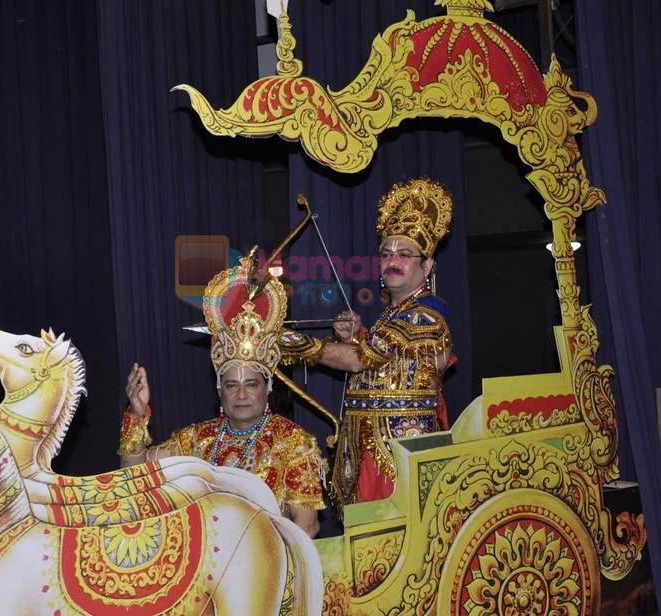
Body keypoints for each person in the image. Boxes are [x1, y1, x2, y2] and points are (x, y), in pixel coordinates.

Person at [118, 257, 326, 537]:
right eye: (231, 385)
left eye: (251, 384)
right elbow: (135, 476)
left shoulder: (294, 444)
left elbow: (307, 527)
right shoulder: (196, 440)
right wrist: (137, 413)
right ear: (219, 389)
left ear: (268, 388)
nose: (241, 394)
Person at [280, 178, 454, 511]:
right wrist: (354, 338)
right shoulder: (394, 314)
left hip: (401, 454)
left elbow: (362, 360)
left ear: (427, 265)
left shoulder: (428, 314)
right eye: (386, 253)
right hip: (371, 453)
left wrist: (291, 342)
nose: (393, 260)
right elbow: (382, 361)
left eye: (405, 254)